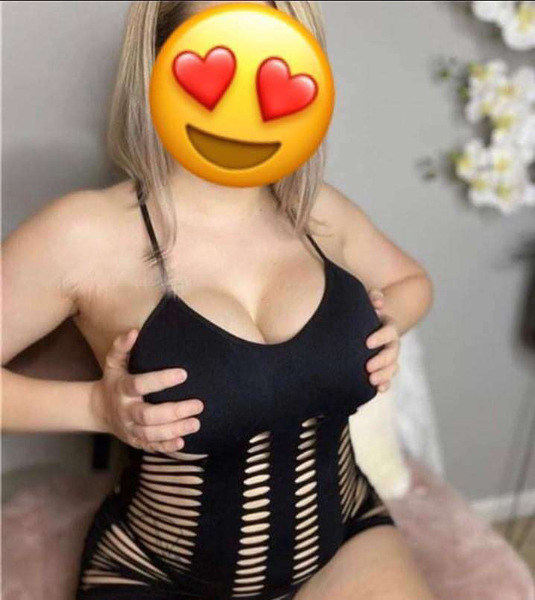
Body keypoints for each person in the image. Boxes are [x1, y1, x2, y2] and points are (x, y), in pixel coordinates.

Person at [2, 1, 436, 599]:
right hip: (157, 575)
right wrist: (97, 409)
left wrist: (389, 326)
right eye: (218, 59)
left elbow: (413, 283)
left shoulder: (315, 213)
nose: (243, 100)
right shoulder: (84, 234)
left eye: (270, 61)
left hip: (344, 542)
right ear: (156, 61)